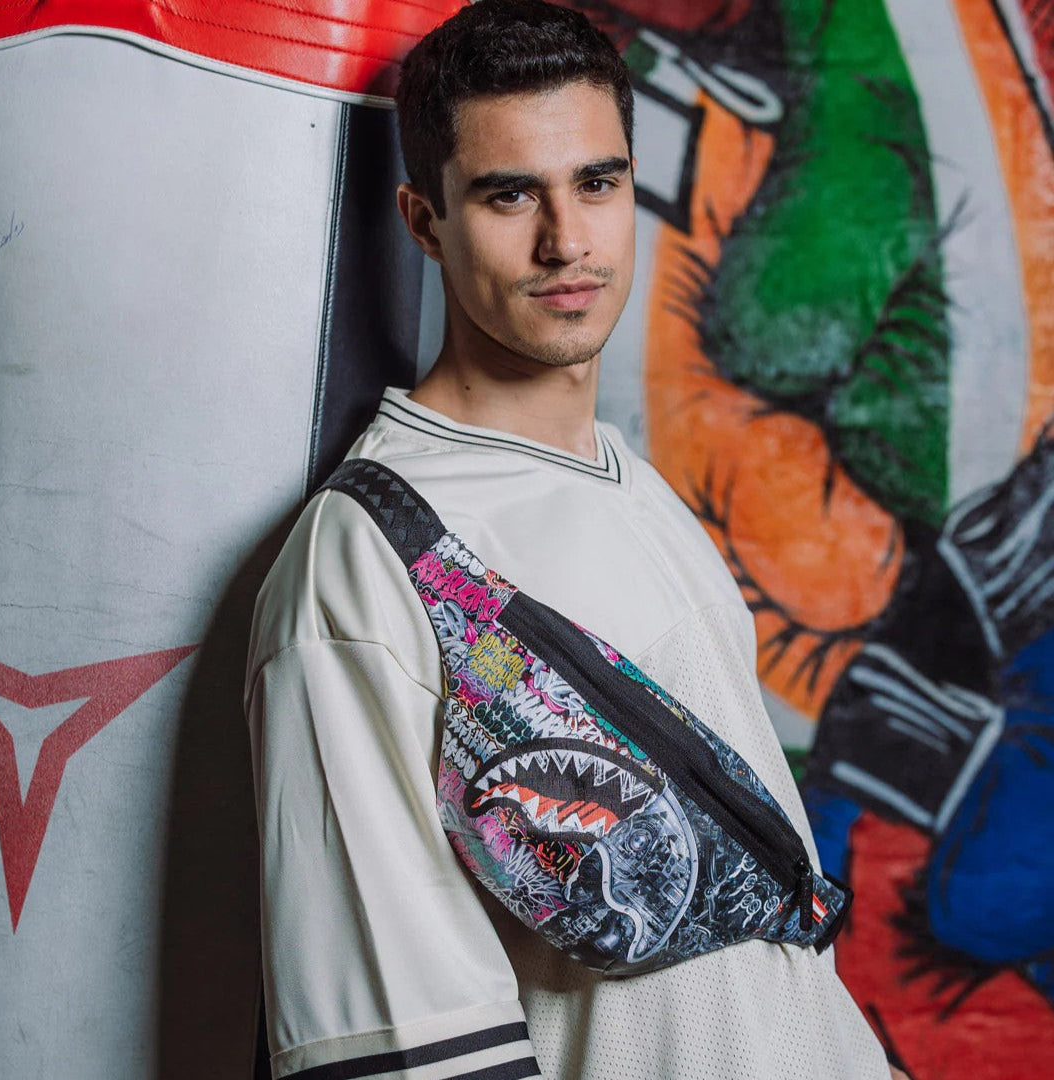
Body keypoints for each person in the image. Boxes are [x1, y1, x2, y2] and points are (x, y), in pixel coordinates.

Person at [246, 2, 903, 1077]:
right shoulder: (371, 559)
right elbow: (405, 1045)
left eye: (597, 183)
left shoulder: (641, 493)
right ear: (424, 221)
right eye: (510, 195)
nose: (566, 242)